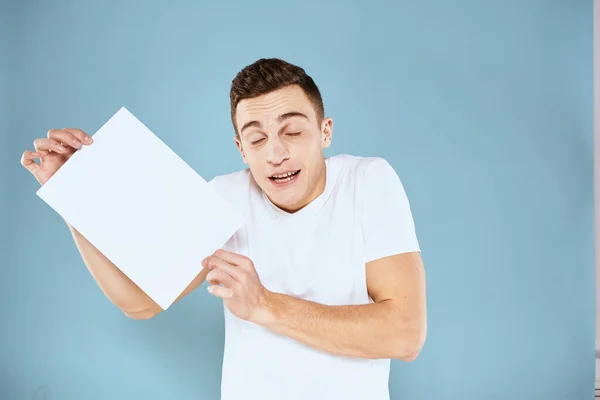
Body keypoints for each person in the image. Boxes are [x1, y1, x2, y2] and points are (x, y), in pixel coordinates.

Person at [20, 58, 427, 400]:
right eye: (257, 139)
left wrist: (264, 305)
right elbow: (140, 303)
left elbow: (405, 334)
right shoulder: (227, 196)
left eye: (293, 131)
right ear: (240, 149)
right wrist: (70, 197)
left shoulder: (368, 181)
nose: (276, 154)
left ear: (325, 131)